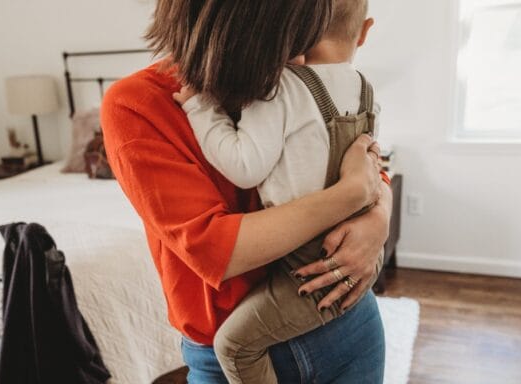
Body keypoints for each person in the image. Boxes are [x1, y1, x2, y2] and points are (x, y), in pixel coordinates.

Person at [101, 1, 392, 382]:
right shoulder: (137, 104)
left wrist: (379, 217)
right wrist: (350, 195)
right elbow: (216, 248)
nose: (302, 57)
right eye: (290, 37)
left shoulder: (293, 78)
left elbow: (360, 157)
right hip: (231, 353)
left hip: (347, 324)